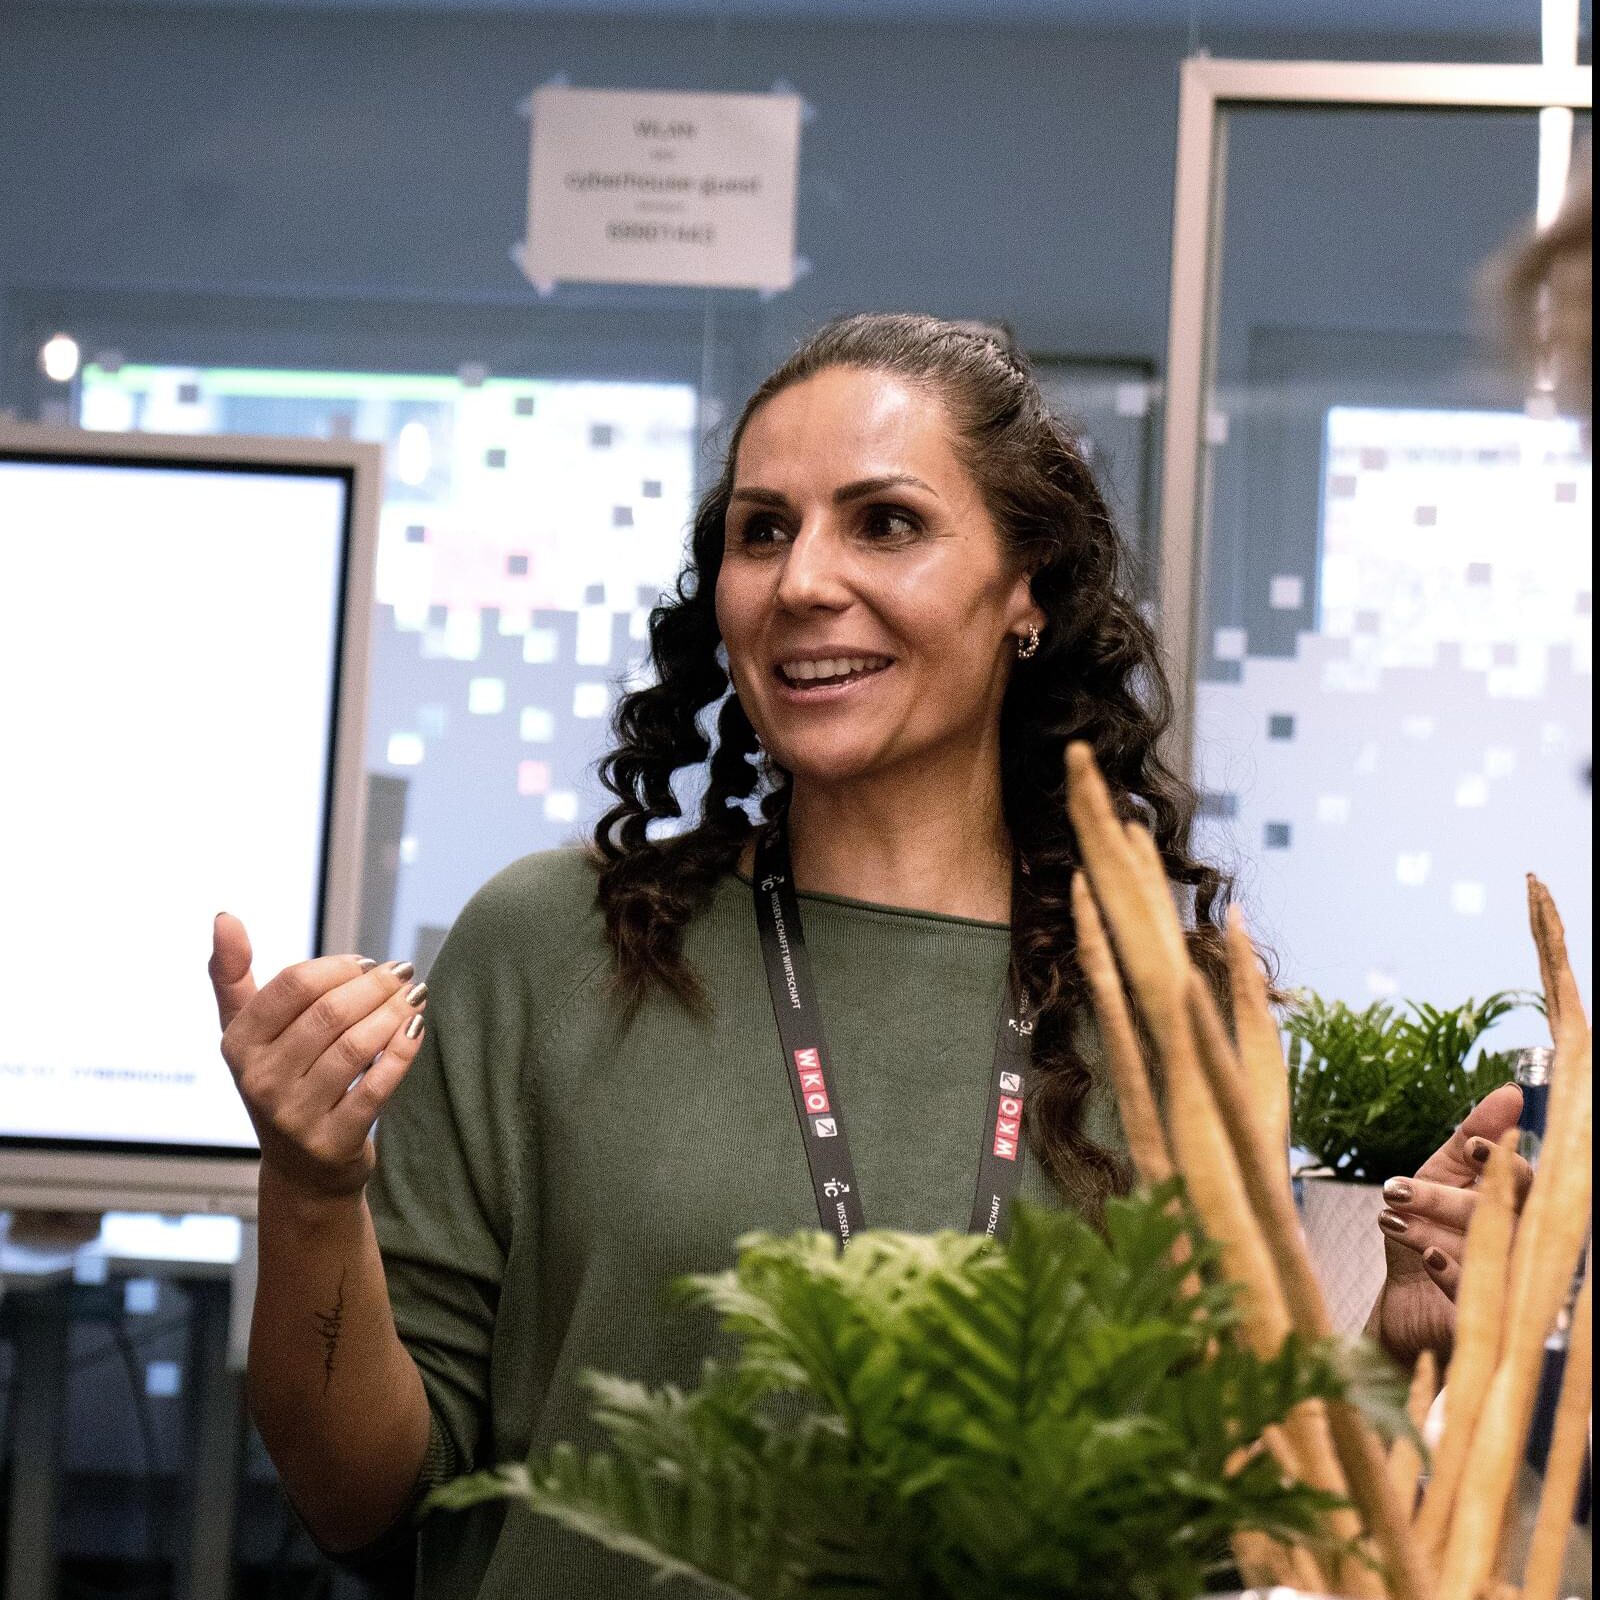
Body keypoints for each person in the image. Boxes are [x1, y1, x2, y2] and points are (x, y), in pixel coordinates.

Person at [206, 313, 1501, 1596]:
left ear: (1027, 592)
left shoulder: (1168, 1013)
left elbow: (1199, 1532)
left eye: (885, 521)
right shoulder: (554, 944)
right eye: (760, 529)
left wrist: (1399, 1352)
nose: (803, 578)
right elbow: (358, 1493)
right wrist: (312, 1190)